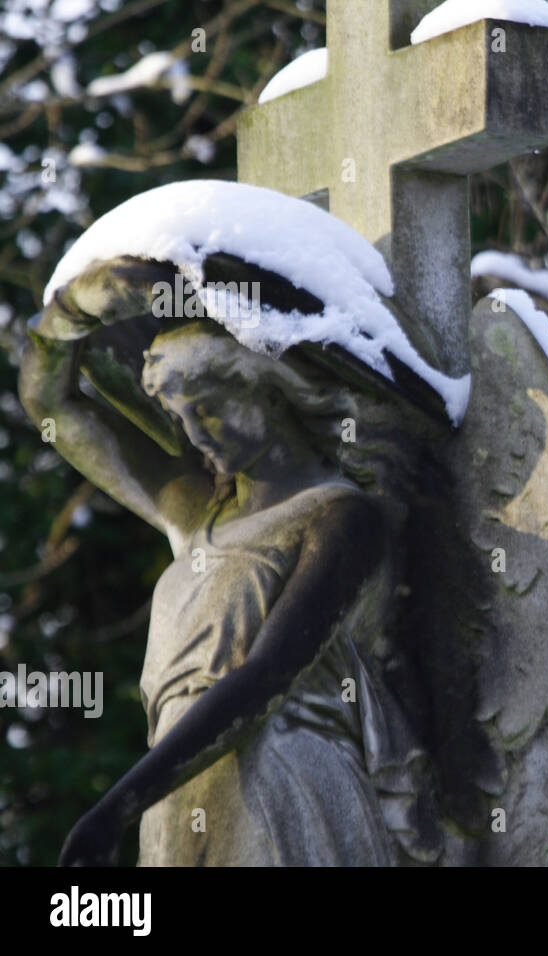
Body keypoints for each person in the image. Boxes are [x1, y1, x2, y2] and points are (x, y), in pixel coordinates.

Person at [22, 256, 447, 865]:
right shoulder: (196, 517)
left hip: (280, 779)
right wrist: (79, 304)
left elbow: (266, 677)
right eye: (180, 417)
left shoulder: (338, 516)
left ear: (270, 390)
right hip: (176, 785)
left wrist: (116, 805)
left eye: (210, 406)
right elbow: (51, 406)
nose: (195, 433)